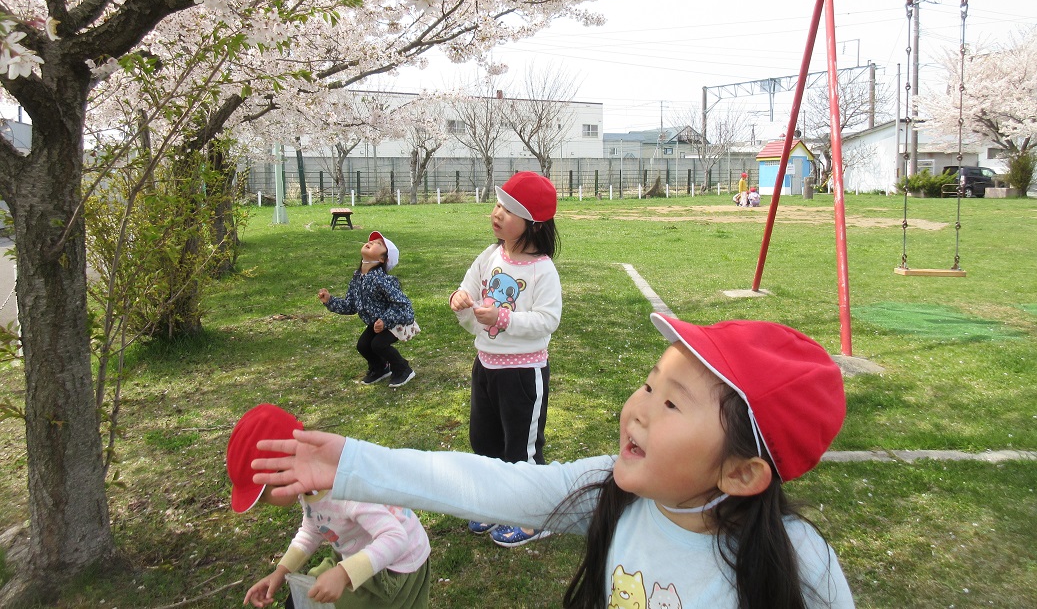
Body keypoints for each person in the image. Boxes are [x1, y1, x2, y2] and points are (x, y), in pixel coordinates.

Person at [252, 313, 854, 609]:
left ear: (741, 472)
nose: (638, 410)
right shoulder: (610, 493)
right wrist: (355, 462)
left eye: (671, 402)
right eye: (648, 386)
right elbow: (485, 483)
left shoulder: (801, 565)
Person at [448, 171, 561, 547]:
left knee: (522, 448)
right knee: (484, 440)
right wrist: (460, 300)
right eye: (498, 204)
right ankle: (496, 503)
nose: (497, 213)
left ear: (532, 224)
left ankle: (533, 516)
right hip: (486, 367)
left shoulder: (542, 269)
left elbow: (548, 319)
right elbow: (468, 287)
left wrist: (504, 318)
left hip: (523, 374)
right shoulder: (490, 255)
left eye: (509, 210)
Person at [226, 404, 431, 609]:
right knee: (301, 602)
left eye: (262, 495)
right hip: (358, 549)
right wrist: (280, 572)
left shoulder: (345, 491)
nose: (263, 503)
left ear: (282, 470)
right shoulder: (307, 482)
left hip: (394, 565)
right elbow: (313, 527)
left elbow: (395, 538)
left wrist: (343, 574)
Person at [319, 231, 419, 388]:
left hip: (397, 321)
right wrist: (330, 301)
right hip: (376, 323)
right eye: (372, 241)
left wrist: (386, 321)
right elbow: (351, 305)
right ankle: (380, 368)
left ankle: (403, 369)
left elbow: (403, 304)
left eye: (378, 244)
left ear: (381, 259)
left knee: (378, 345)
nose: (372, 243)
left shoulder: (382, 280)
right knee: (363, 345)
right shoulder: (358, 277)